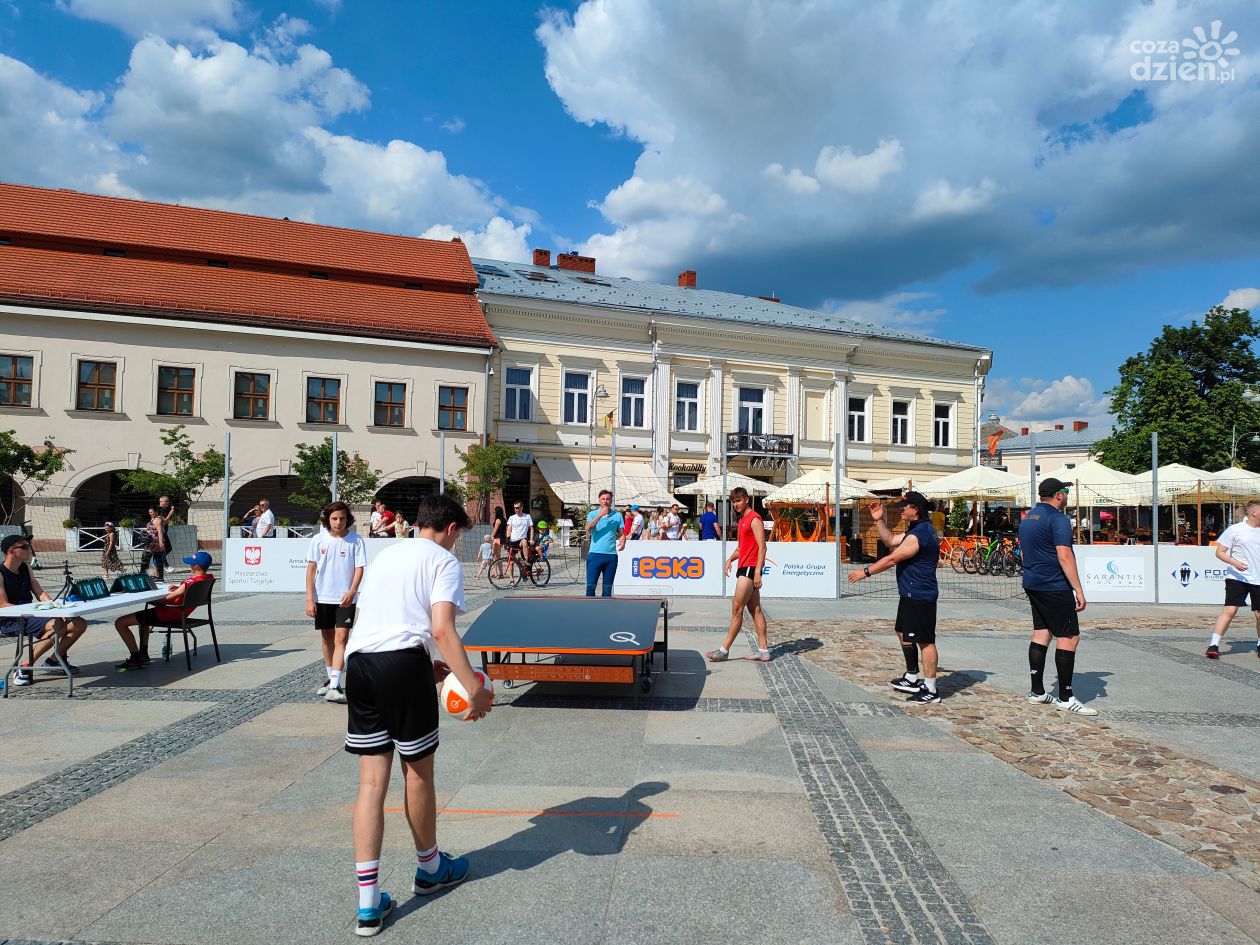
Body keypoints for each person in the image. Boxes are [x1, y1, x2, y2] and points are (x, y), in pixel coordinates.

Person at [343, 494, 490, 937]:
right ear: (450, 529)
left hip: (360, 664)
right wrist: (472, 688)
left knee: (371, 784)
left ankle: (368, 905)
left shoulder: (388, 554)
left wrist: (428, 667)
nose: (455, 544)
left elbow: (385, 620)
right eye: (457, 537)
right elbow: (442, 628)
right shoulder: (443, 561)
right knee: (418, 774)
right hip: (402, 665)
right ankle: (430, 868)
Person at [847, 492, 942, 704]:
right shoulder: (916, 530)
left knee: (925, 641)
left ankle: (931, 689)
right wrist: (879, 519)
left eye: (904, 507)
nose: (901, 510)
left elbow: (891, 559)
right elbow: (890, 540)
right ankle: (911, 676)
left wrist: (865, 572)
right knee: (902, 631)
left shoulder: (920, 534)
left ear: (915, 509)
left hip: (920, 595)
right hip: (910, 593)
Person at [1020, 478, 1096, 715]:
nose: (1067, 496)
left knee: (1042, 632)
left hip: (1033, 582)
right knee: (1069, 637)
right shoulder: (1058, 519)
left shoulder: (1028, 517)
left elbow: (1023, 553)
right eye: (1066, 492)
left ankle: (1037, 691)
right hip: (1054, 585)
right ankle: (1066, 696)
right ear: (1059, 495)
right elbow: (1064, 556)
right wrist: (1078, 589)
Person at [0, 534, 89, 685]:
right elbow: (2, 604)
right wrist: (35, 610)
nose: (29, 549)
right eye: (25, 547)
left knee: (79, 623)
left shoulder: (26, 568)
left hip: (30, 614)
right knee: (58, 625)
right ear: (11, 550)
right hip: (10, 618)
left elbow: (40, 593)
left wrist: (56, 609)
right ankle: (25, 666)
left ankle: (53, 661)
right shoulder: (1, 572)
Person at [306, 501, 367, 703]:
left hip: (345, 599)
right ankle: (331, 679)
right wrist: (309, 599)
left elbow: (359, 568)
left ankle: (334, 686)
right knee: (327, 638)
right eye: (334, 518)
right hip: (322, 597)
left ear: (347, 519)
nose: (338, 522)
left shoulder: (356, 540)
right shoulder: (318, 540)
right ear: (327, 519)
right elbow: (311, 570)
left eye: (342, 518)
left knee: (342, 638)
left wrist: (352, 591)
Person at [114, 551, 215, 670]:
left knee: (120, 622)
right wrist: (180, 588)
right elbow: (187, 590)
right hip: (181, 614)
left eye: (192, 564)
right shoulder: (208, 579)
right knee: (143, 619)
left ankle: (136, 658)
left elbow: (166, 599)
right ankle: (143, 654)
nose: (190, 566)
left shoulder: (190, 582)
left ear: (197, 566)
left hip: (167, 614)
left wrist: (150, 600)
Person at [706, 487, 770, 662]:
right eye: (734, 502)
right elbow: (741, 548)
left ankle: (724, 650)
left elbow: (762, 547)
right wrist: (730, 560)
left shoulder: (754, 519)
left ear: (747, 500)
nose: (736, 504)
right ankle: (764, 651)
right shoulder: (742, 520)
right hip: (744, 566)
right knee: (755, 609)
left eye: (739, 500)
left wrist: (758, 572)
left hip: (750, 568)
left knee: (737, 609)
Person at [1205, 498, 1260, 660]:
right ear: (1254, 512)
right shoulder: (1235, 530)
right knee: (1230, 610)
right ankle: (1213, 645)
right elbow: (1219, 552)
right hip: (1237, 576)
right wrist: (1234, 562)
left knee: (1259, 615)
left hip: (1258, 579)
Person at [585, 490, 625, 597]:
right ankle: (589, 607)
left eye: (608, 499)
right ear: (599, 500)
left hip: (611, 556)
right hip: (595, 554)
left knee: (607, 589)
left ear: (611, 501)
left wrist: (623, 540)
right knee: (590, 587)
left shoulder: (617, 515)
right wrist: (599, 515)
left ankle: (605, 607)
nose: (605, 501)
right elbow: (588, 528)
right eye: (603, 499)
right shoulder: (592, 514)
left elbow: (621, 533)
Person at [140, 507, 166, 580]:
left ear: (156, 512)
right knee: (156, 559)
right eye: (149, 512)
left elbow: (160, 531)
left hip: (154, 543)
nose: (150, 513)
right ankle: (159, 577)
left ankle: (142, 575)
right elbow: (165, 523)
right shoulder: (154, 519)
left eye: (151, 512)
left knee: (146, 559)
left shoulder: (158, 519)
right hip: (150, 542)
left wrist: (161, 542)